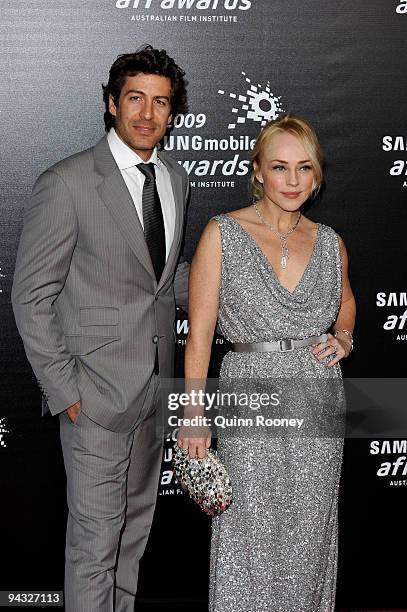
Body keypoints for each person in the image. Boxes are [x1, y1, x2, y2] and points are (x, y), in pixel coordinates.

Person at [11, 46, 190, 612]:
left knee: (132, 542)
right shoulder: (67, 182)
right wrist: (68, 395)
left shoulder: (174, 180)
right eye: (135, 98)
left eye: (160, 103)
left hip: (155, 391)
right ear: (111, 105)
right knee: (93, 549)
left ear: (172, 113)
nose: (146, 114)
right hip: (94, 397)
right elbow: (30, 296)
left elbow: (162, 281)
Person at [178, 113, 356, 611]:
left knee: (310, 534)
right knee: (249, 534)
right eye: (280, 167)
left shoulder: (330, 241)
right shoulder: (223, 233)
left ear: (317, 175)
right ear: (257, 170)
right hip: (250, 392)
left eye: (305, 168)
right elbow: (200, 336)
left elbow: (346, 303)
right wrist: (194, 415)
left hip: (318, 396)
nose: (293, 181)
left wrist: (343, 337)